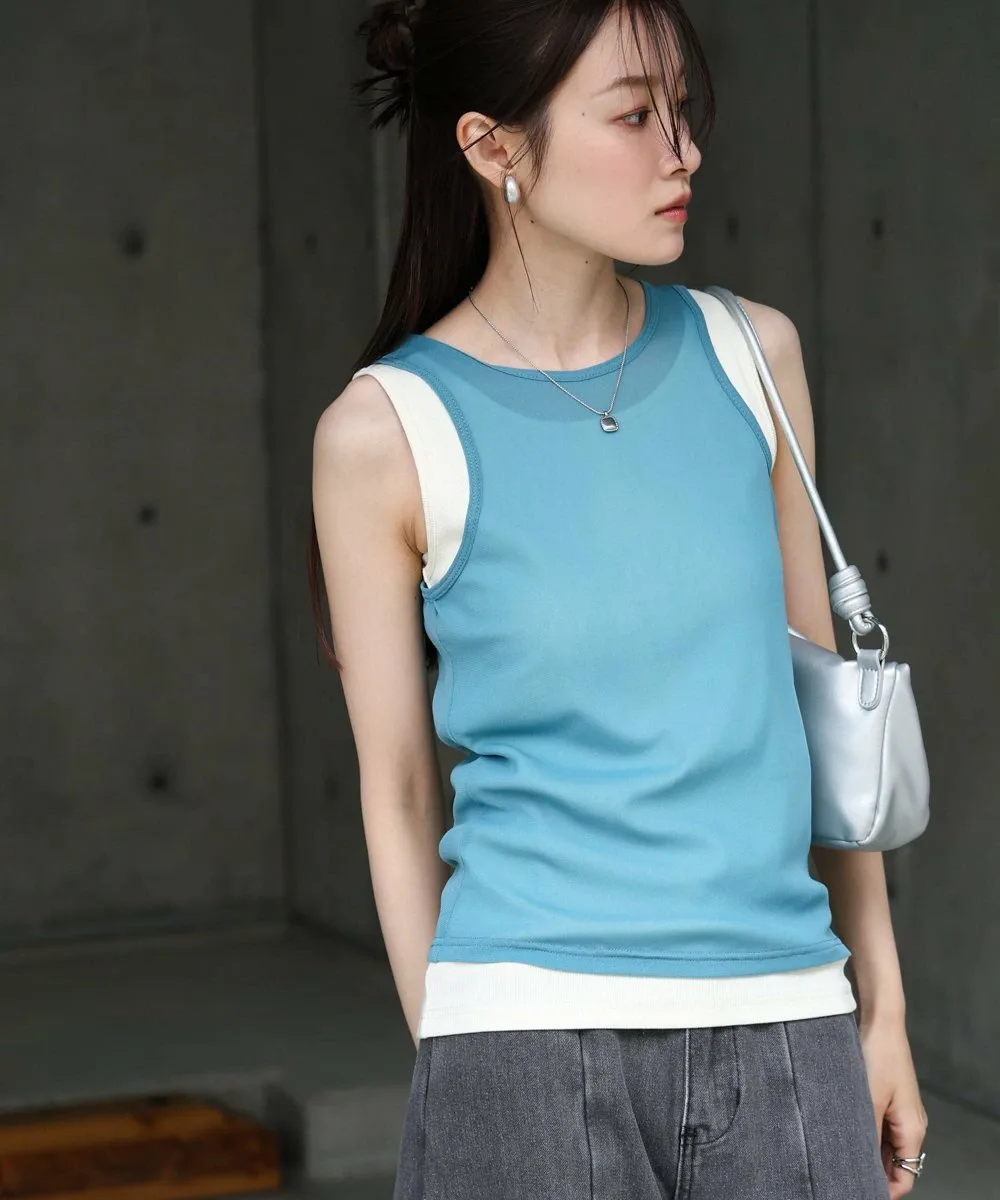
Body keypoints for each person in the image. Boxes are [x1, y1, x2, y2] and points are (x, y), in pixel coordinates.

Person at [308, 2, 928, 1197]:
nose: (681, 152)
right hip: (524, 1045)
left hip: (786, 1019)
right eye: (634, 117)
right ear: (492, 147)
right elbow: (396, 791)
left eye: (681, 109)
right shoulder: (383, 433)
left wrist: (880, 1008)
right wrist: (454, 1052)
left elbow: (825, 717)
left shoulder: (753, 357)